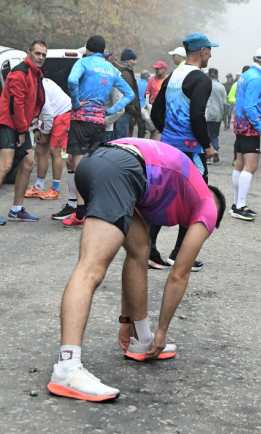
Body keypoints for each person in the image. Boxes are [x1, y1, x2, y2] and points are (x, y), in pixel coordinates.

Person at [47, 138, 226, 402]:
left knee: (140, 246)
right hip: (121, 170)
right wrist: (163, 330)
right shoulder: (207, 206)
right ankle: (67, 367)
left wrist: (126, 320)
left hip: (97, 161)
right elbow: (179, 274)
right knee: (91, 268)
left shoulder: (178, 186)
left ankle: (141, 338)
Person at [147, 33, 217, 269]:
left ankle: (150, 249)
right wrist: (207, 145)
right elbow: (197, 115)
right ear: (203, 51)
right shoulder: (201, 80)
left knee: (163, 195)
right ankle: (179, 253)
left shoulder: (172, 76)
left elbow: (156, 112)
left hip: (167, 147)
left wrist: (168, 133)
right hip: (190, 151)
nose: (211, 55)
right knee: (197, 199)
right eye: (210, 50)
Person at [54, 36, 135, 227]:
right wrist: (111, 110)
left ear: (88, 49)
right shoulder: (111, 69)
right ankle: (93, 208)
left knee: (79, 165)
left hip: (81, 119)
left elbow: (73, 80)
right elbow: (129, 94)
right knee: (93, 164)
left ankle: (81, 212)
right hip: (100, 121)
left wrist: (75, 103)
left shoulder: (83, 62)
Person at [0, 41, 46, 224]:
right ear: (29, 53)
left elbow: (36, 101)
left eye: (43, 55)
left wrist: (33, 119)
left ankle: (17, 209)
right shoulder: (20, 72)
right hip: (9, 123)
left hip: (21, 125)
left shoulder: (36, 74)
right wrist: (21, 131)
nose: (41, 57)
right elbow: (15, 104)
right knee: (5, 165)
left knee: (28, 163)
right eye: (37, 53)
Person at [230, 49, 261, 220]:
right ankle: (240, 205)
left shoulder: (245, 75)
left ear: (254, 58)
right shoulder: (256, 79)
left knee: (240, 164)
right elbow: (250, 107)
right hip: (249, 127)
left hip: (240, 125)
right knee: (250, 166)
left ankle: (236, 204)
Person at [26, 75, 72, 200]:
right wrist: (35, 129)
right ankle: (39, 188)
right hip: (51, 115)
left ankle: (55, 190)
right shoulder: (29, 87)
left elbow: (47, 114)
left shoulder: (40, 90)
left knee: (54, 150)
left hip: (62, 113)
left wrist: (45, 134)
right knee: (40, 149)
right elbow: (33, 111)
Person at [112, 48, 141, 140]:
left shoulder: (126, 71)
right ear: (126, 60)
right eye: (133, 59)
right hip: (124, 111)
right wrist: (133, 110)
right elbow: (128, 93)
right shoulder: (126, 73)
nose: (135, 62)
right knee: (121, 138)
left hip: (122, 109)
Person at [205, 68, 227, 164]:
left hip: (206, 114)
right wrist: (223, 115)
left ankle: (208, 157)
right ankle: (216, 150)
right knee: (214, 134)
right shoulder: (221, 87)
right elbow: (224, 102)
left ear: (208, 75)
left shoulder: (205, 86)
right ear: (217, 76)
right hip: (218, 114)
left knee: (206, 135)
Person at [144, 61, 168, 140]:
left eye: (158, 69)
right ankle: (154, 148)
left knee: (166, 130)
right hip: (154, 107)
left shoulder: (169, 79)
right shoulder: (152, 80)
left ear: (164, 69)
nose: (156, 70)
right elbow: (147, 92)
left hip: (166, 107)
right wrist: (147, 95)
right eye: (155, 69)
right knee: (153, 129)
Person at [136, 70, 149, 138]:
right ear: (147, 77)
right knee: (143, 126)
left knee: (139, 126)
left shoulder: (137, 84)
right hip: (145, 107)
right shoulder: (148, 85)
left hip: (137, 107)